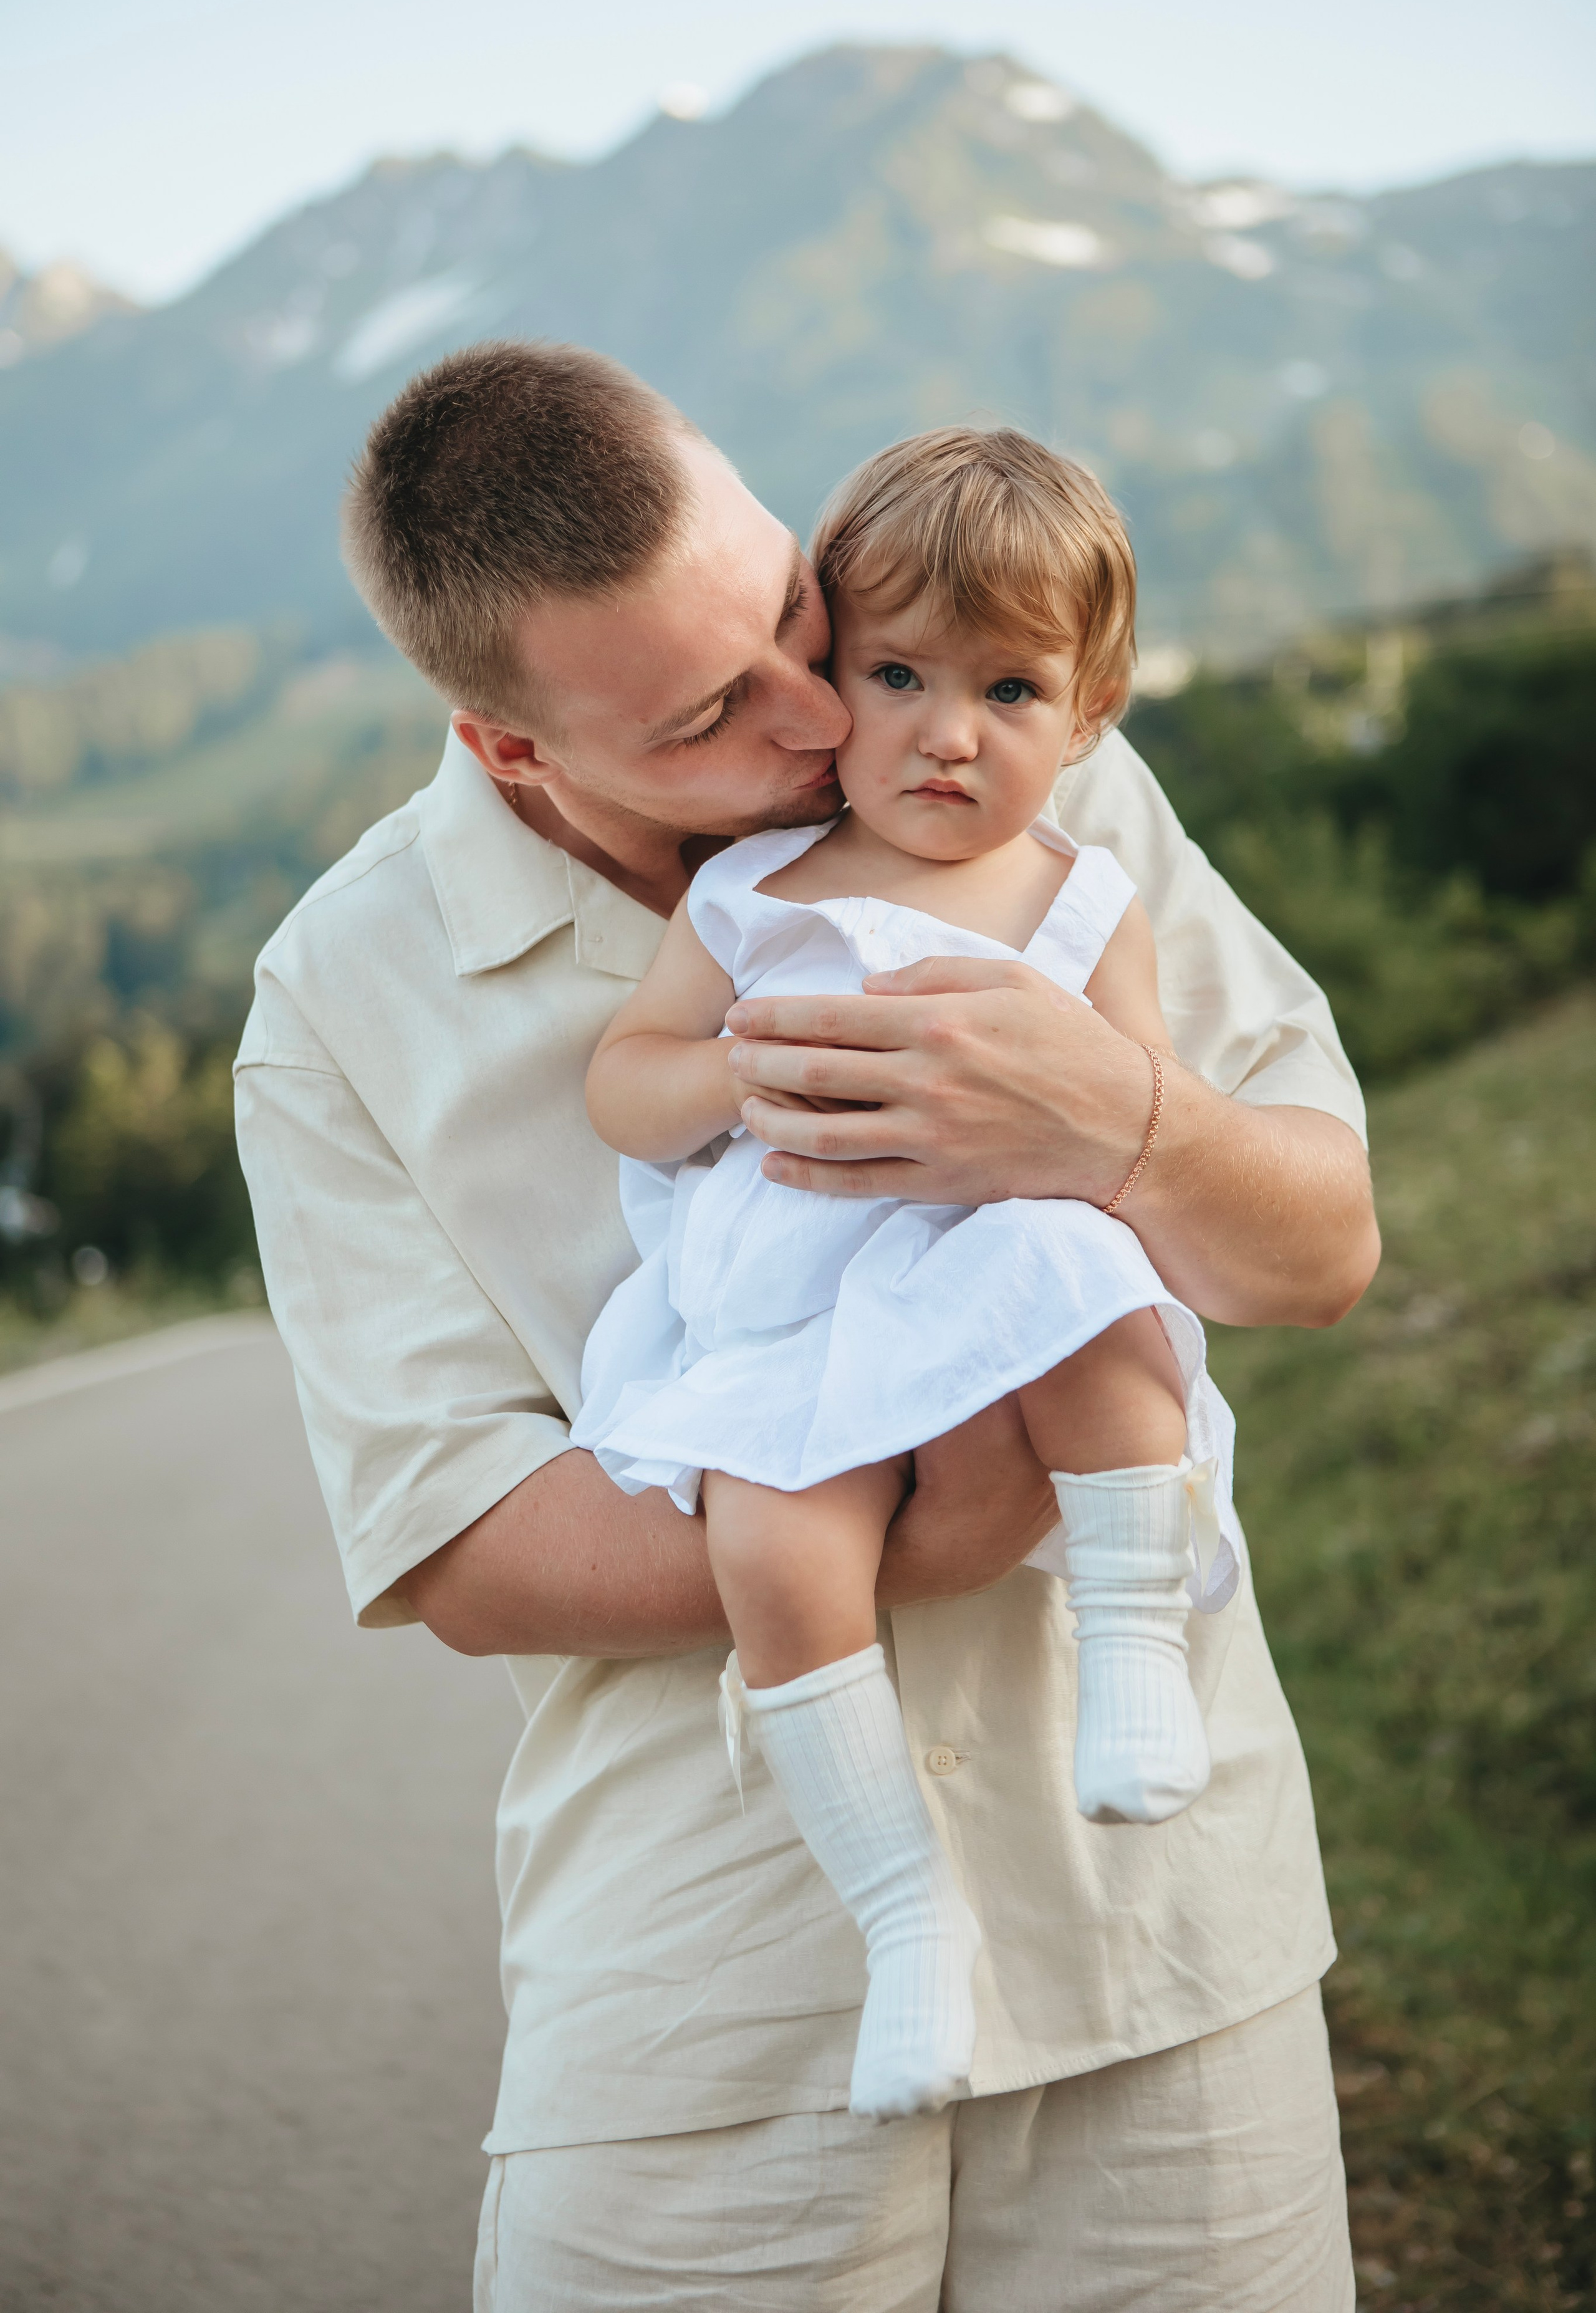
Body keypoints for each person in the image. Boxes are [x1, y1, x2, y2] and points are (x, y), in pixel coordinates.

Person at [235, 339, 1378, 2310]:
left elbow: (1319, 1248)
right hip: (710, 2012)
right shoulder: (345, 998)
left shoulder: (1032, 770)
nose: (815, 715)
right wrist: (932, 1522)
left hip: (1162, 1941)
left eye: (787, 608)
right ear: (519, 751)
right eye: (704, 715)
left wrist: (1120, 1123)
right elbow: (465, 1548)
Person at [573, 426, 1245, 2122]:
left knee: (1087, 1302)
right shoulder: (751, 894)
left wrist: (1078, 1143)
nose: (949, 733)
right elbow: (625, 1084)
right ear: (832, 678)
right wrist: (733, 1066)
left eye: (1011, 693)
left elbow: (1138, 1148)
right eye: (898, 675)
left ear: (1089, 717)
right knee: (773, 1544)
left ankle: (1132, 1637)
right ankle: (903, 1916)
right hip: (800, 1305)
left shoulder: (1088, 907)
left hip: (999, 1259)